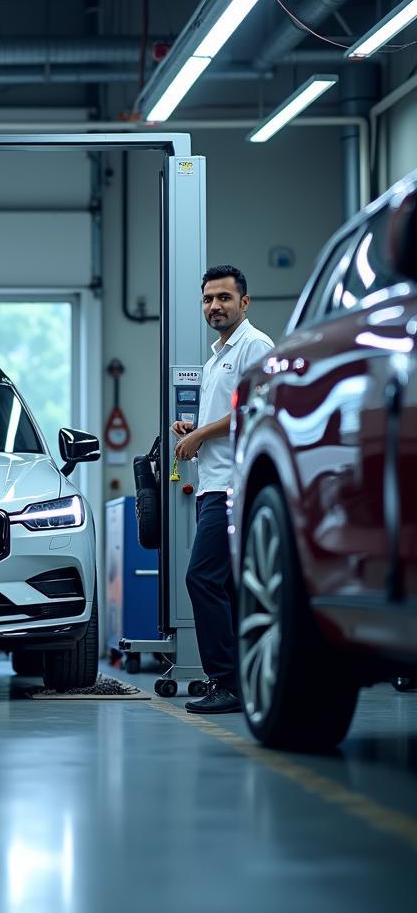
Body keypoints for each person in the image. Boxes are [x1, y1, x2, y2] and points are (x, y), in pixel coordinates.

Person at [172, 265, 273, 714]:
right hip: (212, 484)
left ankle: (226, 681)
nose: (215, 306)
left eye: (224, 298)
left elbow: (256, 409)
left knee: (202, 578)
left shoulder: (255, 345)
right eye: (209, 299)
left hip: (234, 485)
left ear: (244, 303)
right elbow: (227, 415)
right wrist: (194, 429)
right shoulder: (216, 356)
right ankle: (240, 682)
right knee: (227, 586)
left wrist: (200, 436)